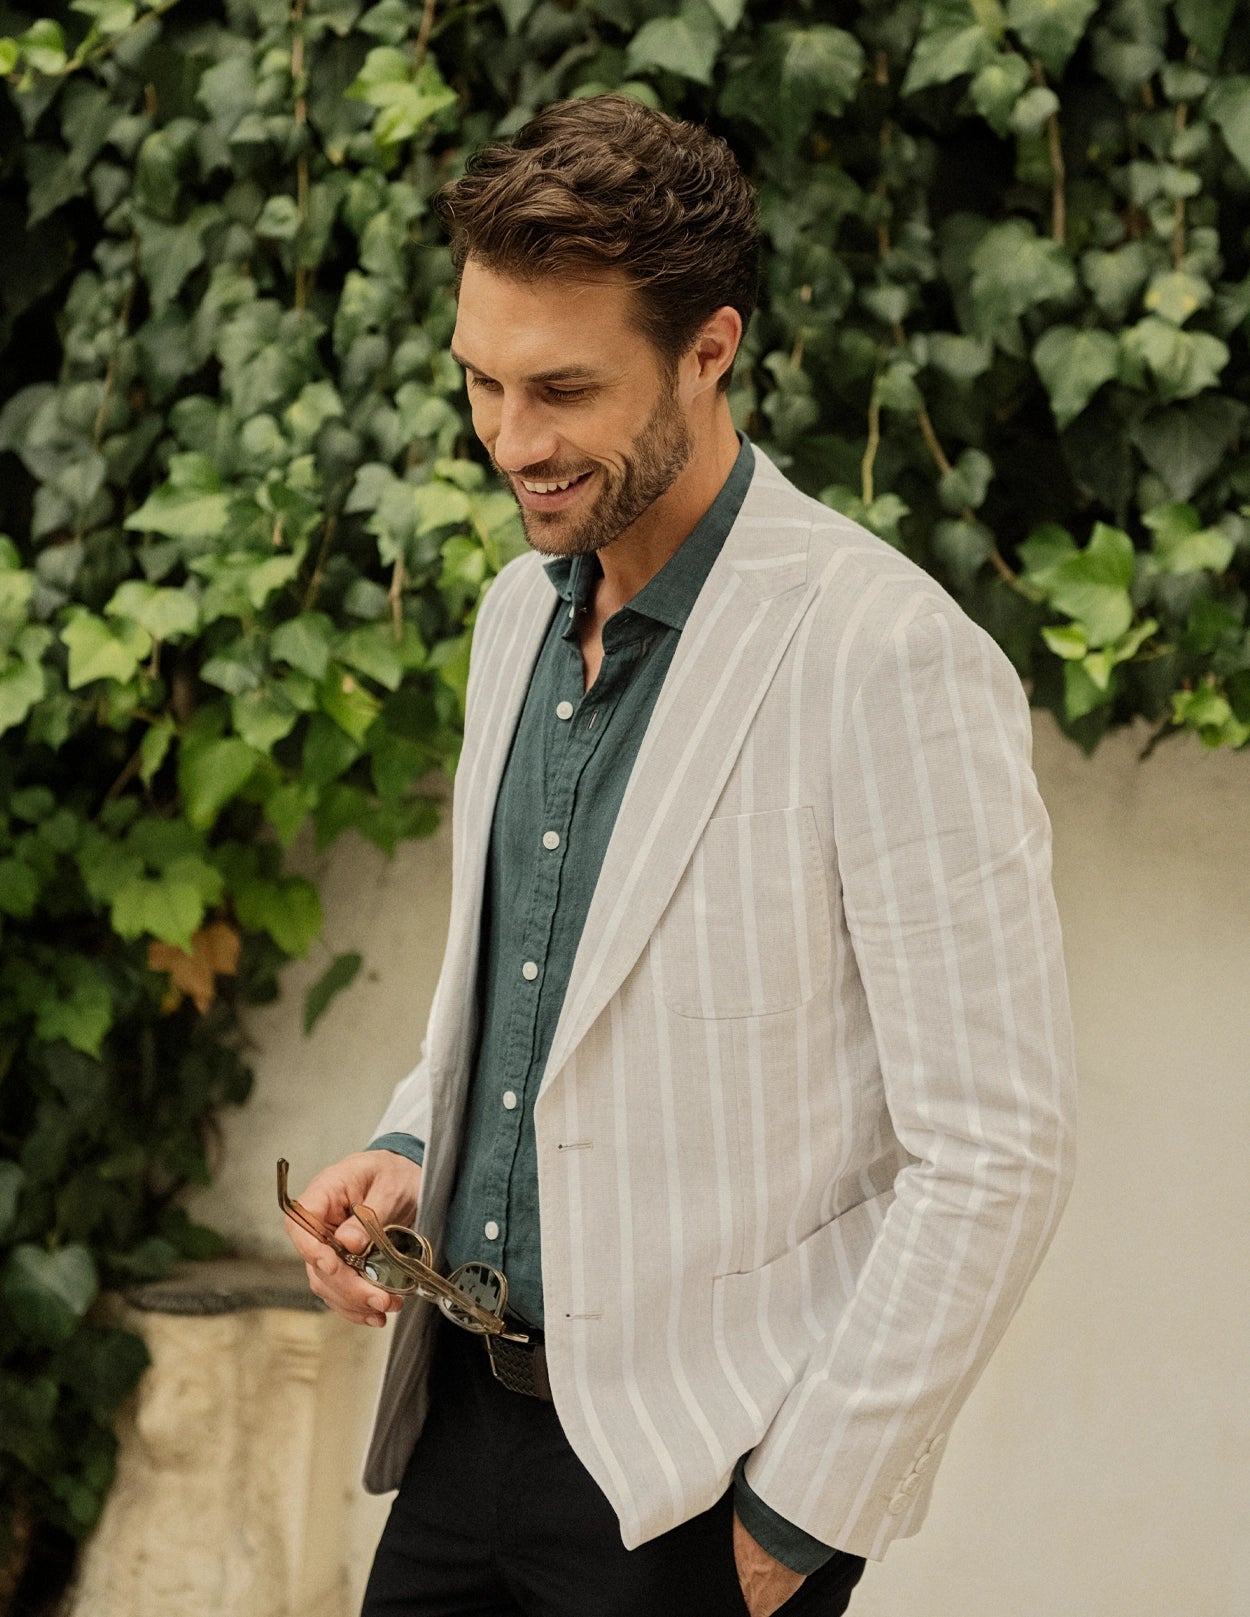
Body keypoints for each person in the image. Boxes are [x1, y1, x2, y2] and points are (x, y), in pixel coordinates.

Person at [283, 95, 1077, 1617]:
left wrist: (800, 1512)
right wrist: (406, 1152)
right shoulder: (516, 615)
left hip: (695, 1490)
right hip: (457, 1425)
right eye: (481, 384)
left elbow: (997, 1147)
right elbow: (528, 1000)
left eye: (563, 390)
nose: (512, 442)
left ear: (708, 350)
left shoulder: (885, 656)